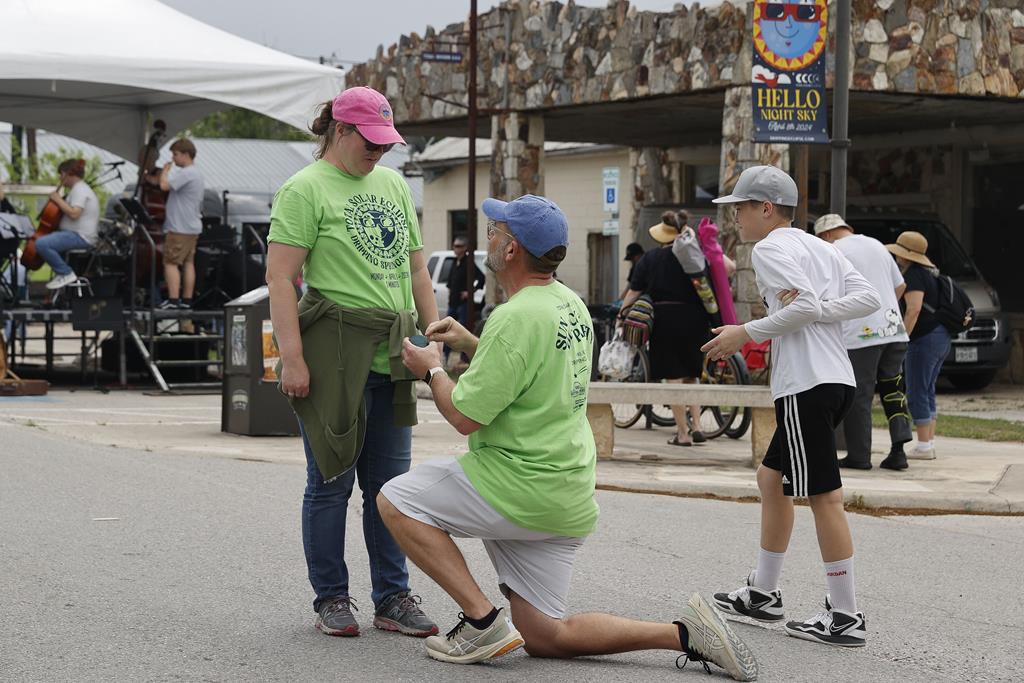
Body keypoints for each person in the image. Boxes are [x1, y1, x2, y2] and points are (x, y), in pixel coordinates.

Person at [378, 194, 758, 679]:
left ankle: (481, 621)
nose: (488, 238)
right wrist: (471, 343)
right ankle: (684, 634)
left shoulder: (513, 316)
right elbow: (529, 368)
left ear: (511, 249)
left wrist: (432, 369)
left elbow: (464, 416)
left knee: (396, 500)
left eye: (494, 231)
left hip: (516, 484)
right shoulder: (570, 304)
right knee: (544, 635)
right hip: (565, 495)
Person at [266, 86, 439, 640]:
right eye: (370, 142)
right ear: (340, 130)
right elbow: (280, 279)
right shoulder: (304, 188)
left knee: (391, 487)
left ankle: (393, 597)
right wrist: (292, 359)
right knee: (331, 481)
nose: (379, 153)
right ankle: (332, 597)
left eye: (386, 145)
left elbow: (416, 270)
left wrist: (432, 335)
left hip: (394, 349)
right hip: (334, 350)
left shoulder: (392, 184)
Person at [704, 165, 880, 648]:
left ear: (766, 208)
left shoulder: (769, 248)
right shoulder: (820, 246)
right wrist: (818, 309)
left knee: (824, 496)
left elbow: (802, 307)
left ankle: (845, 615)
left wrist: (745, 332)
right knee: (771, 479)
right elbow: (866, 297)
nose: (735, 218)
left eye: (740, 208)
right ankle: (763, 593)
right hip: (834, 379)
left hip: (807, 383)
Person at [814, 214, 913, 471]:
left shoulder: (832, 250)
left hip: (862, 334)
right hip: (893, 329)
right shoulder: (877, 245)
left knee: (860, 395)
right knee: (893, 390)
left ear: (826, 235)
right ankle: (899, 451)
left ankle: (859, 456)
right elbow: (900, 286)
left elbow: (827, 292)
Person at [621, 210, 710, 446]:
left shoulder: (650, 259)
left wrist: (623, 313)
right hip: (696, 319)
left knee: (673, 377)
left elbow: (634, 292)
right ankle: (698, 426)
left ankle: (682, 433)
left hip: (665, 320)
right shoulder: (693, 254)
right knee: (691, 375)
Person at [886, 231, 950, 461]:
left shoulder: (914, 275)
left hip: (925, 339)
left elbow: (914, 309)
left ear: (906, 255)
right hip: (940, 336)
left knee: (916, 391)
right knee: (927, 389)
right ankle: (928, 442)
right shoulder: (929, 273)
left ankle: (923, 446)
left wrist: (902, 337)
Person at [157, 138, 204, 310]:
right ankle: (186, 300)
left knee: (171, 262)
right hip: (191, 227)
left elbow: (164, 186)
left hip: (179, 227)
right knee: (188, 262)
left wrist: (164, 171)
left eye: (175, 154)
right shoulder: (197, 173)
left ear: (186, 154)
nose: (173, 158)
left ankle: (173, 300)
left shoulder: (186, 173)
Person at [39, 159, 100, 290]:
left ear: (68, 173)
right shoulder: (77, 189)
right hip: (74, 235)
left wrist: (57, 199)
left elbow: (74, 213)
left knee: (42, 244)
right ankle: (63, 276)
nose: (60, 178)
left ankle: (66, 273)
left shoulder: (80, 190)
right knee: (46, 242)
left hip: (80, 236)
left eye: (61, 174)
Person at [444, 235, 485, 362]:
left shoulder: (468, 262)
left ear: (464, 248)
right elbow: (450, 282)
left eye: (459, 246)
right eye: (454, 246)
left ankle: (464, 358)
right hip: (453, 303)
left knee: (462, 331)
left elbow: (481, 278)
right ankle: (445, 356)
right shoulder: (454, 262)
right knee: (445, 329)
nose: (455, 248)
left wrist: (470, 292)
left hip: (463, 304)